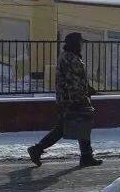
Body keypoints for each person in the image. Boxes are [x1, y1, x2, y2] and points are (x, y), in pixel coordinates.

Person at [27, 32, 102, 168]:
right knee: (68, 127)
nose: (82, 45)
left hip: (70, 97)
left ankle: (86, 156)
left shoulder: (69, 56)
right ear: (75, 43)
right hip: (72, 98)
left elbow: (77, 78)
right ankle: (37, 149)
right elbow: (73, 81)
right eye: (80, 42)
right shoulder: (71, 58)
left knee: (80, 125)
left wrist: (87, 88)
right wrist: (81, 96)